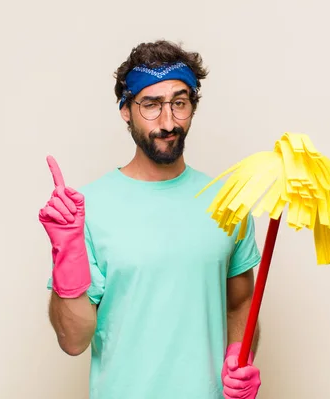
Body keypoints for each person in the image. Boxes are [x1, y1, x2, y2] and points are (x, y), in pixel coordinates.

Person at [39, 40, 263, 399]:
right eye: (150, 105)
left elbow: (240, 303)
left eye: (179, 103)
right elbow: (73, 340)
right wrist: (65, 251)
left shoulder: (227, 202)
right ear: (125, 110)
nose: (168, 122)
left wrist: (241, 353)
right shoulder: (89, 208)